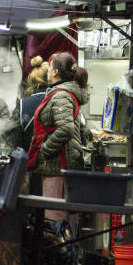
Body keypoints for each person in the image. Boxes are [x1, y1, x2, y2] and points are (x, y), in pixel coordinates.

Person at [31, 52, 89, 222]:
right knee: (58, 217)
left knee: (55, 218)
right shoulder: (60, 93)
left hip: (59, 166)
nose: (47, 71)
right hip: (59, 164)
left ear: (55, 72)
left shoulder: (61, 95)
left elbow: (65, 128)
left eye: (49, 67)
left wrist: (44, 151)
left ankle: (61, 248)